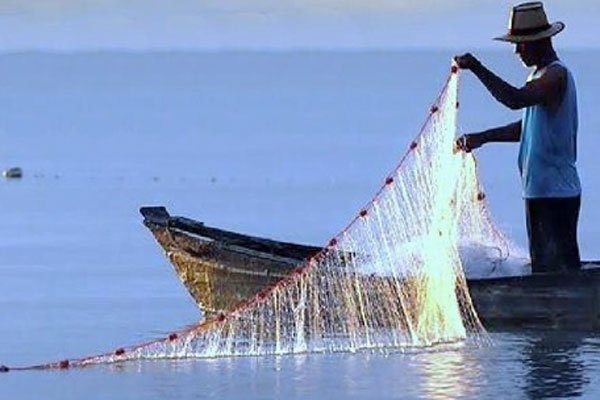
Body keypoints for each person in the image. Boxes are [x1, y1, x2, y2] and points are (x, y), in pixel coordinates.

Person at [454, 1, 581, 273]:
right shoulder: (538, 76)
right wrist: (483, 137)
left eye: (521, 43)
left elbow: (515, 100)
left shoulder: (556, 76)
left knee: (559, 273)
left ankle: (569, 315)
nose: (517, 51)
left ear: (539, 42)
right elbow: (528, 128)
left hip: (556, 195)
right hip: (538, 191)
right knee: (545, 269)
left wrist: (477, 67)